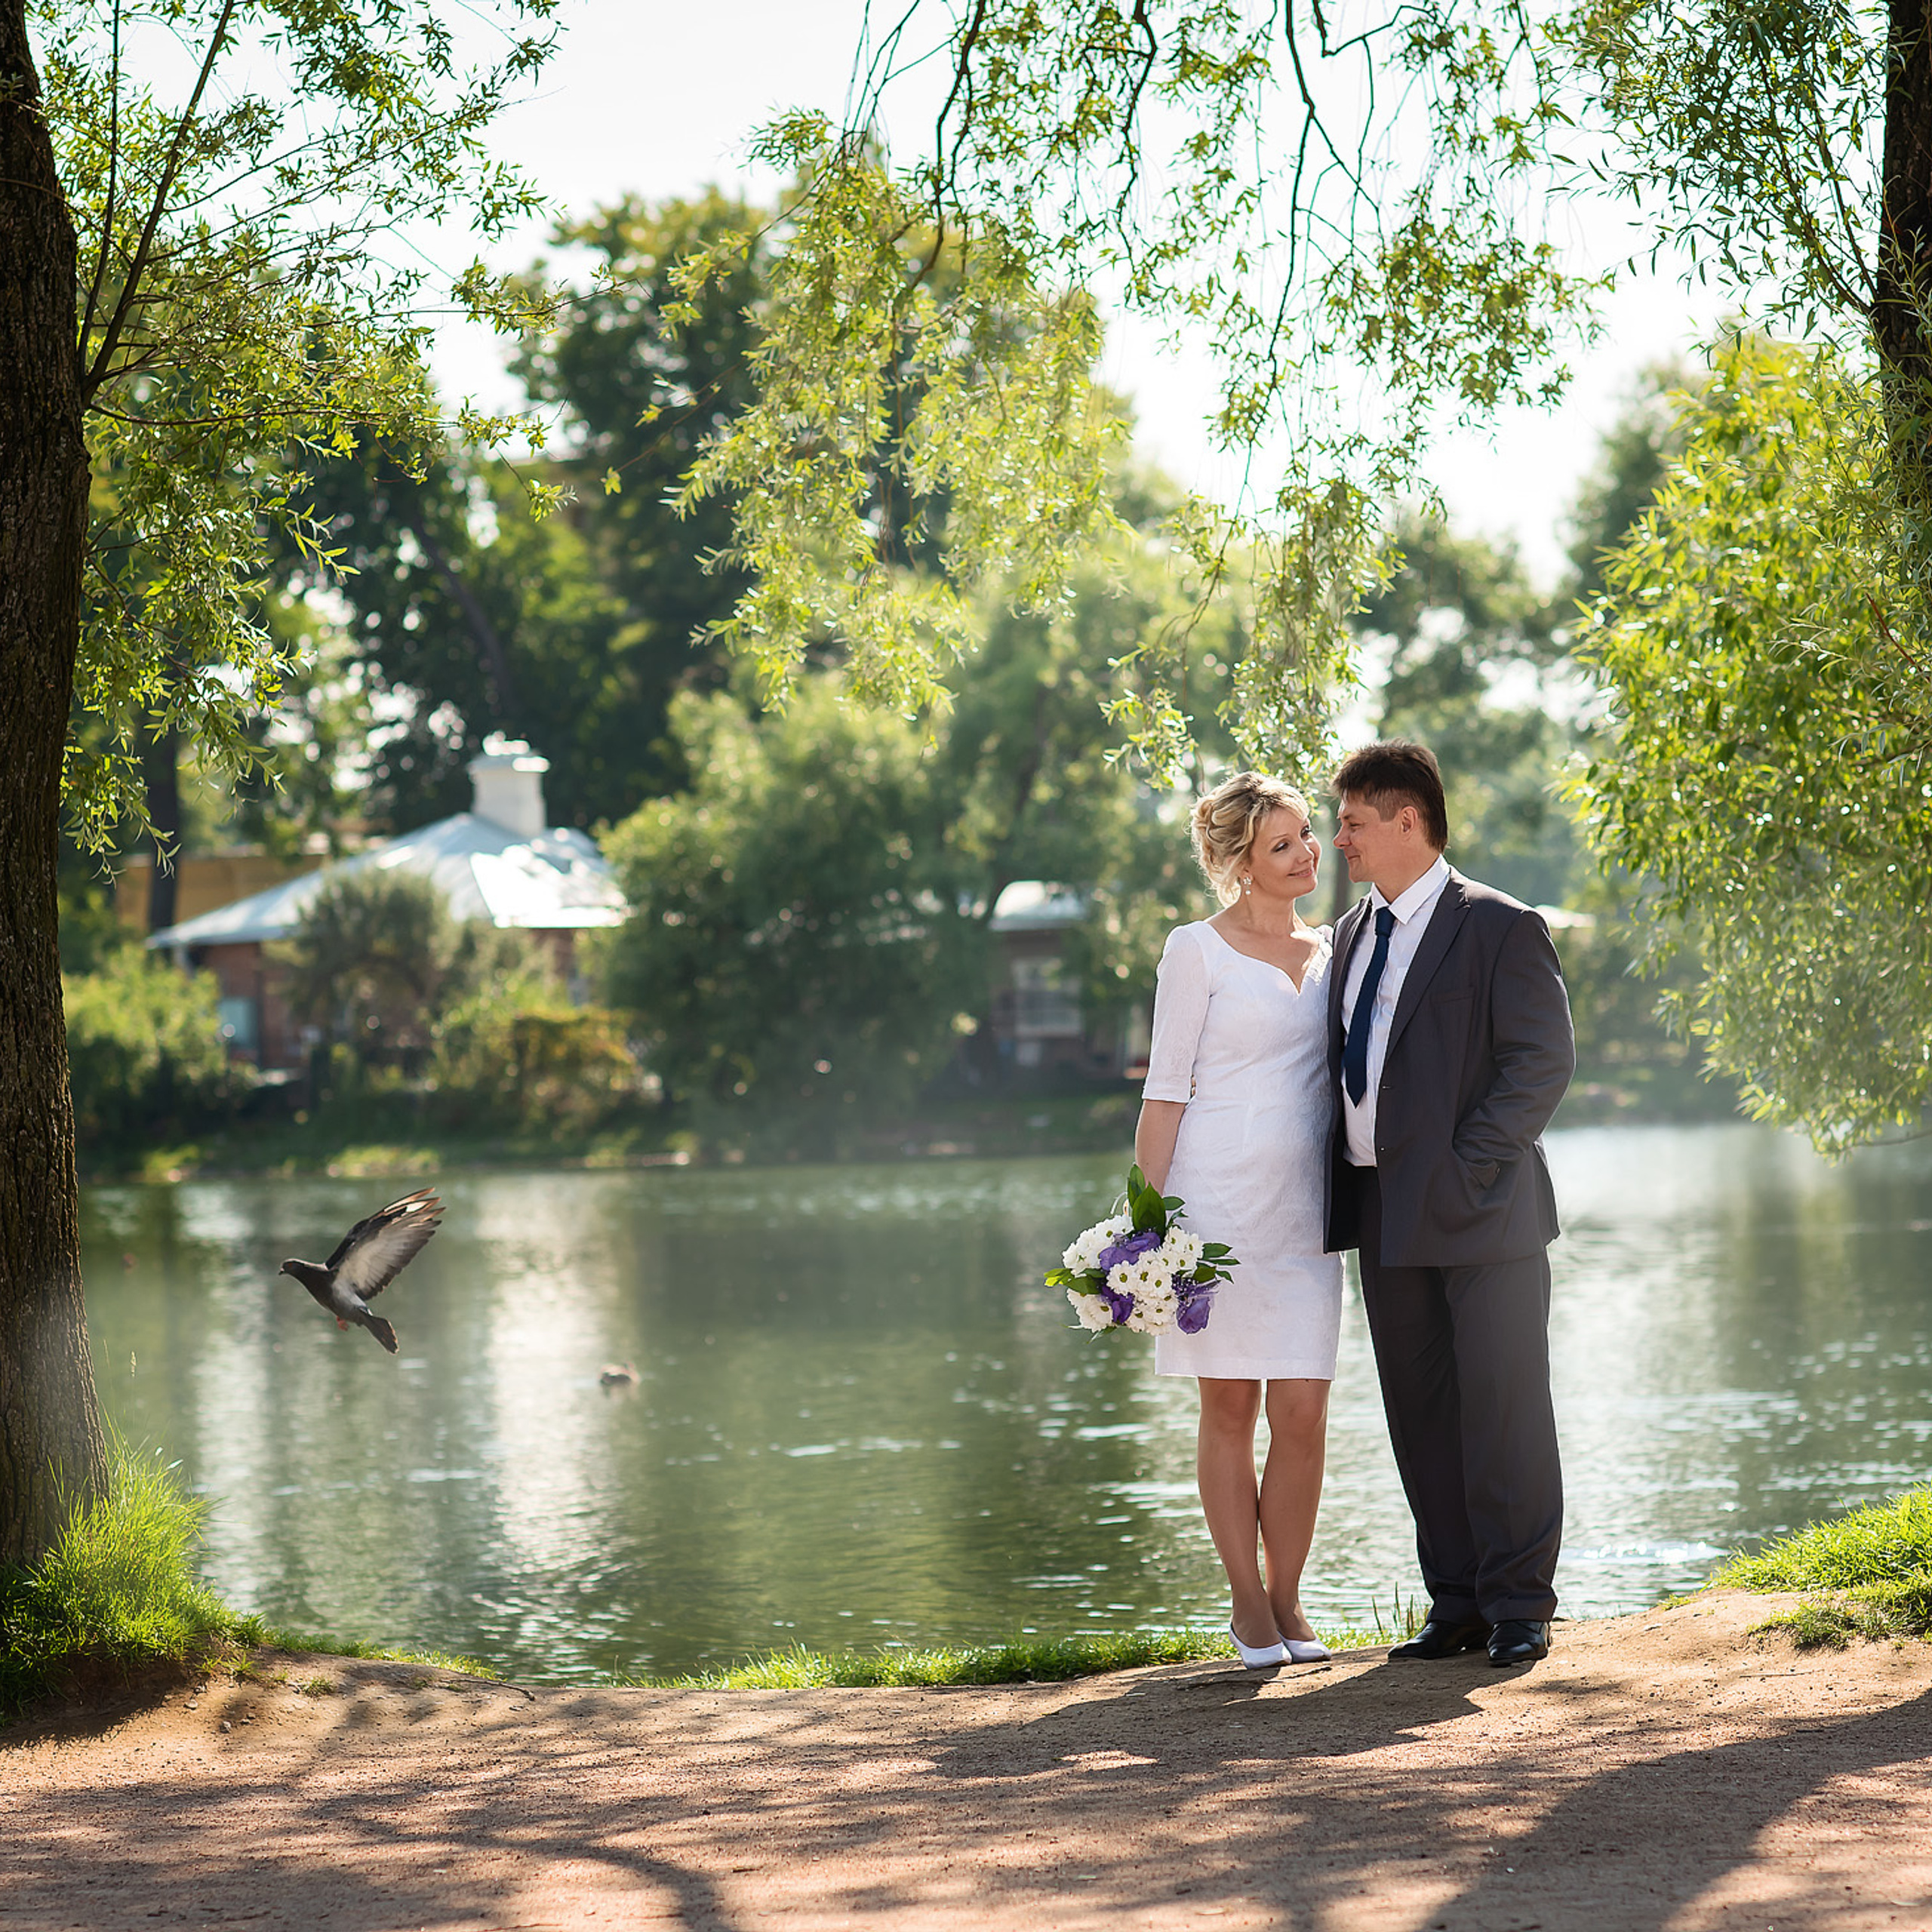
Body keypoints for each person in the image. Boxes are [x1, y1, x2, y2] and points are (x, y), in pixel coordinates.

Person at [1324, 740, 1574, 1669]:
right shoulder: (1349, 935)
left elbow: (1540, 1063)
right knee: (1420, 1411)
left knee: (1504, 1404)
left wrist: (1470, 1164)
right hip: (1382, 1212)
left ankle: (1519, 1604)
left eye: (1352, 820)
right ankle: (1457, 1601)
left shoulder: (1502, 926)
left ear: (1407, 820)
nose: (1338, 837)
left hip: (1485, 1209)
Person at [1134, 771, 1345, 1669]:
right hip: (1212, 1210)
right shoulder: (1196, 950)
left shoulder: (1336, 949)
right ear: (1240, 864)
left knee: (1302, 1411)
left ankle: (1291, 1597)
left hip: (1308, 1216)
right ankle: (1247, 1604)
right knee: (1228, 1405)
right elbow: (1164, 1091)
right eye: (1284, 845)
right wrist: (1146, 1232)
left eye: (1307, 835)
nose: (1309, 854)